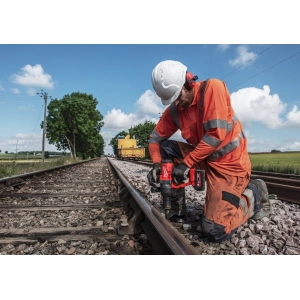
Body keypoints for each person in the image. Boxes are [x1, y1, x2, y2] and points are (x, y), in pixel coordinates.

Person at [147, 60, 272, 243]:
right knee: (167, 148)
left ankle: (254, 193)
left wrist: (186, 164)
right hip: (205, 160)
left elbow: (216, 135)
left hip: (230, 167)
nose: (177, 103)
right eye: (172, 99)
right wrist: (157, 164)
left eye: (177, 96)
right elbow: (155, 139)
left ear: (189, 81)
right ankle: (175, 207)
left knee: (214, 230)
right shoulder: (176, 109)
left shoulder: (212, 89)